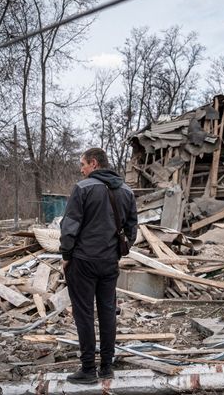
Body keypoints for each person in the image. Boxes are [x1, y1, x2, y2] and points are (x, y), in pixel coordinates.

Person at [59, 148, 137, 384]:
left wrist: (66, 254)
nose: (81, 169)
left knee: (83, 314)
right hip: (109, 262)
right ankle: (106, 367)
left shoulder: (82, 188)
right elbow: (132, 228)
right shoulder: (126, 190)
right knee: (107, 312)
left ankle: (87, 369)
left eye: (83, 164)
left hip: (83, 261)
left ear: (94, 163)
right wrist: (117, 251)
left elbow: (69, 226)